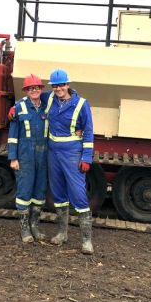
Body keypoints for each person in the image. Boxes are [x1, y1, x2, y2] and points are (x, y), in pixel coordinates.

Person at [42, 68, 94, 255]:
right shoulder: (49, 98)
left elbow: (88, 131)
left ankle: (87, 241)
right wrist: (15, 107)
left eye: (61, 85)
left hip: (72, 152)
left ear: (68, 85)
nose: (58, 89)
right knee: (58, 193)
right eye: (55, 86)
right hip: (53, 152)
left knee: (78, 193)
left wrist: (87, 157)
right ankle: (62, 233)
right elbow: (32, 98)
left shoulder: (81, 104)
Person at [7, 74, 48, 243]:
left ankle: (35, 226)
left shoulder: (47, 106)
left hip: (43, 156)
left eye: (37, 88)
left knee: (39, 192)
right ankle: (25, 229)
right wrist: (13, 158)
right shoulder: (19, 108)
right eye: (31, 88)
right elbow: (13, 136)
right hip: (25, 156)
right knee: (24, 191)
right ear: (26, 90)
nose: (34, 90)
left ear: (41, 89)